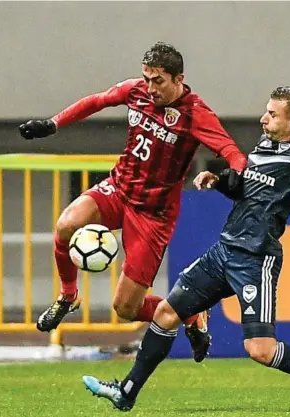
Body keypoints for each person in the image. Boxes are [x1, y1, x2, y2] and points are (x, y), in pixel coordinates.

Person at [81, 85, 290, 412]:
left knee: (260, 349)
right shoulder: (264, 146)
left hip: (255, 257)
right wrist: (218, 181)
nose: (263, 119)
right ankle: (126, 393)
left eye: (272, 115)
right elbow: (243, 189)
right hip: (224, 249)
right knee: (165, 314)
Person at [18, 42, 247, 362]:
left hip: (153, 214)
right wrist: (52, 124)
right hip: (119, 189)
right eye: (147, 79)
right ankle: (68, 296)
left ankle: (192, 316)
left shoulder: (195, 114)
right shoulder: (136, 91)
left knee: (126, 307)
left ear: (179, 79)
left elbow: (231, 150)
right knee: (67, 224)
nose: (150, 87)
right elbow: (96, 101)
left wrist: (236, 172)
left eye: (159, 81)